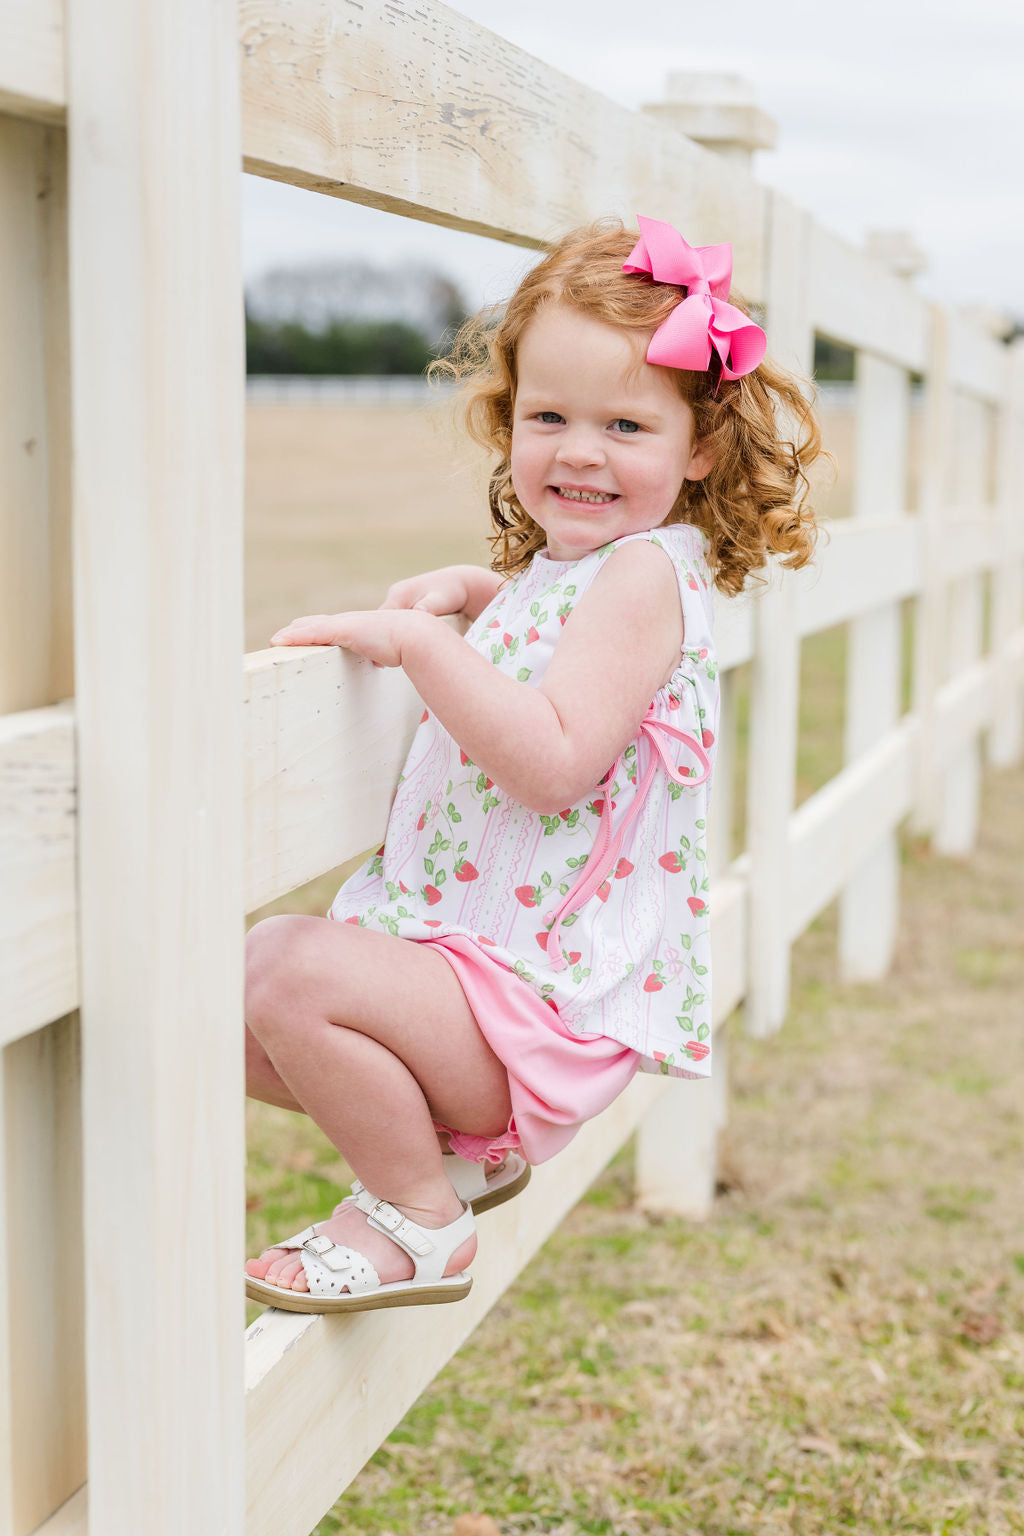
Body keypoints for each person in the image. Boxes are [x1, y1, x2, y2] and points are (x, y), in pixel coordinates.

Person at [244, 215, 823, 1314]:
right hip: (488, 987)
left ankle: (415, 1219)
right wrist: (478, 593)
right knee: (229, 1014)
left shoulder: (644, 576)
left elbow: (555, 760)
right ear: (508, 418)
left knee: (280, 964)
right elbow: (562, 644)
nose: (579, 450)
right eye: (546, 415)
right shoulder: (585, 571)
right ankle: (462, 1158)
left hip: (534, 1011)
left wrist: (421, 645)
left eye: (625, 424)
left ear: (698, 447)